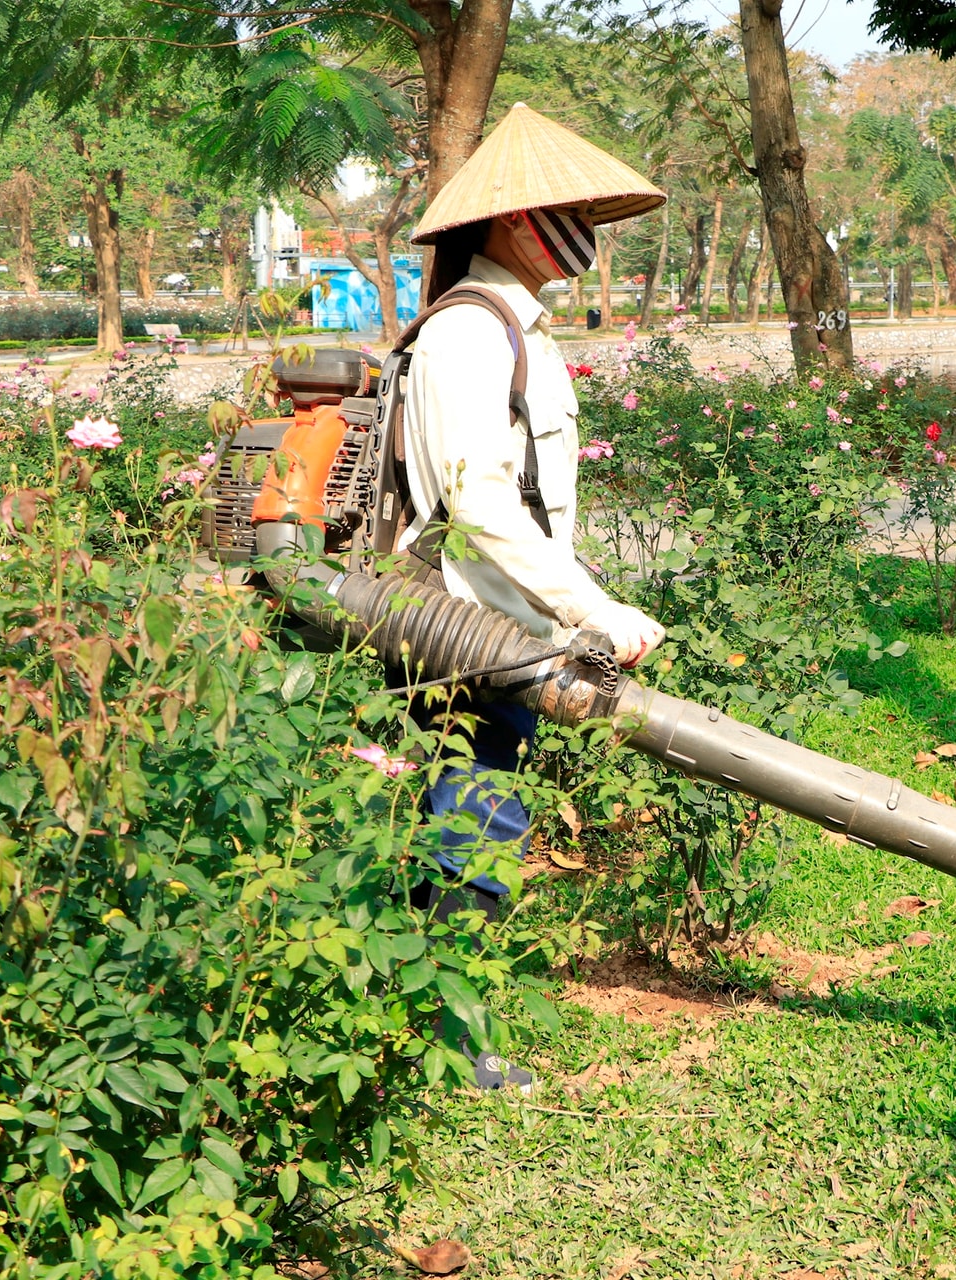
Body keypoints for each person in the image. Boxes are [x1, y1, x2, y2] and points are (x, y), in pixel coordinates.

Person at [396, 106, 668, 1038]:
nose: (584, 230)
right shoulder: (468, 334)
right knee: (474, 829)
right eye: (568, 211)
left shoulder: (521, 328)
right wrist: (595, 605)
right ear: (514, 220)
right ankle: (451, 1041)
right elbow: (479, 509)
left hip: (510, 628)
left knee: (474, 815)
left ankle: (429, 1018)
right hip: (466, 632)